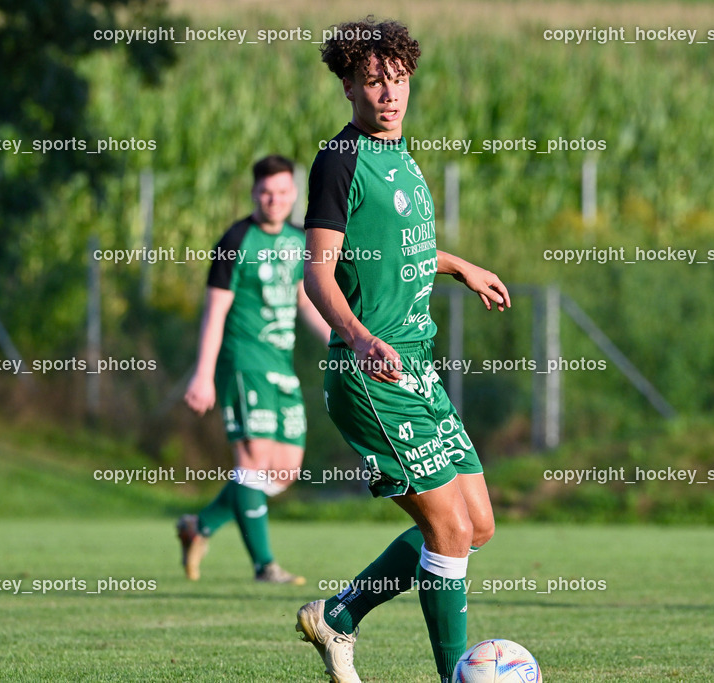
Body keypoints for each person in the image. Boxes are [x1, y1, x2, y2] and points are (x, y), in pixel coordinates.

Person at [294, 18, 511, 683]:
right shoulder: (340, 161)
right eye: (372, 82)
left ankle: (338, 615)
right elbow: (317, 271)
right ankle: (455, 676)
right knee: (448, 531)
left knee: (477, 526)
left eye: (397, 80)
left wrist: (459, 266)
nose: (388, 94)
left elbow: (398, 249)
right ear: (348, 87)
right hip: (372, 377)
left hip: (418, 369)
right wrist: (359, 337)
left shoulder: (403, 156)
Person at [178, 154, 329, 585]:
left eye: (282, 192)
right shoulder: (235, 240)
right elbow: (215, 312)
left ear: (294, 193)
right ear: (253, 193)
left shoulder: (299, 240)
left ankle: (200, 526)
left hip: (281, 366)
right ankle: (265, 566)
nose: (274, 200)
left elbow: (305, 302)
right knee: (254, 460)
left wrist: (345, 343)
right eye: (266, 192)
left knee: (282, 472)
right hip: (243, 363)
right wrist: (203, 374)